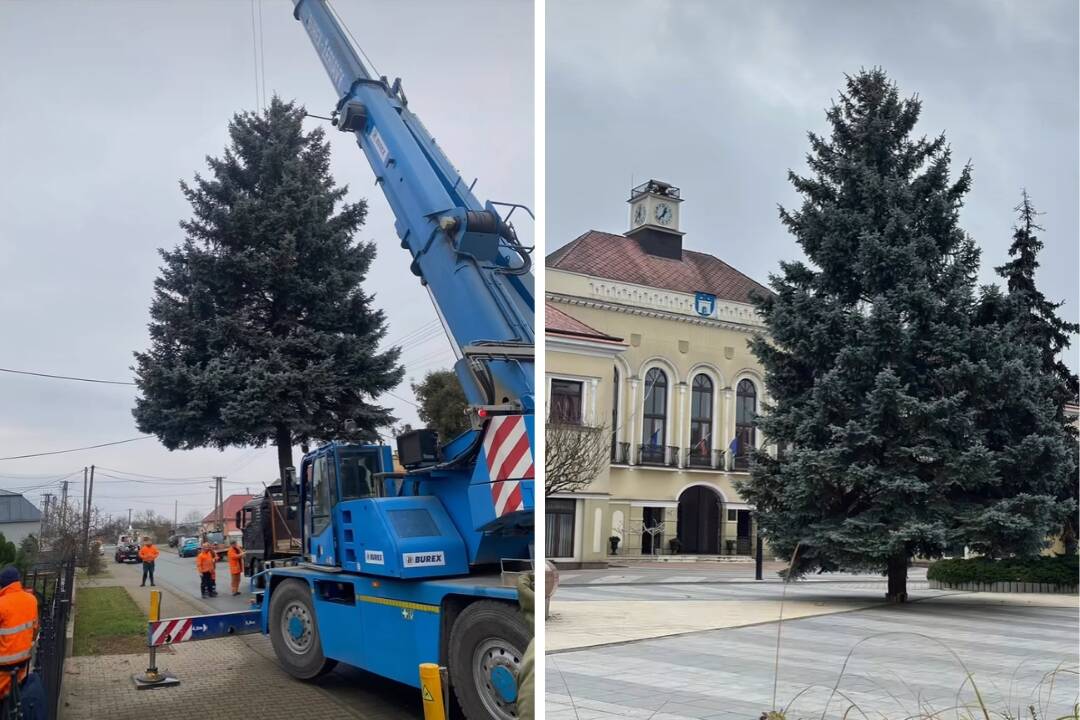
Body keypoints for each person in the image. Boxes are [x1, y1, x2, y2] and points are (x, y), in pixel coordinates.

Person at [0, 565, 38, 712]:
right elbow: (34, 630)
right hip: (22, 668)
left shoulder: (2, 605)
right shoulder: (31, 600)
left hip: (3, 670)